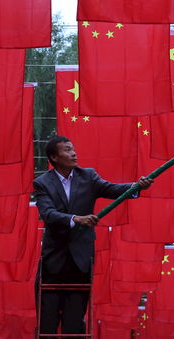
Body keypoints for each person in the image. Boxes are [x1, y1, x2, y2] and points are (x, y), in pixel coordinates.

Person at [34, 135, 153, 336]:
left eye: (73, 148)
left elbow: (114, 189)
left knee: (74, 322)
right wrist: (75, 219)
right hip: (53, 260)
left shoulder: (88, 176)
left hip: (80, 259)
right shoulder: (42, 183)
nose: (74, 153)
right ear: (54, 157)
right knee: (48, 321)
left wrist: (137, 187)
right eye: (67, 150)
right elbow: (48, 214)